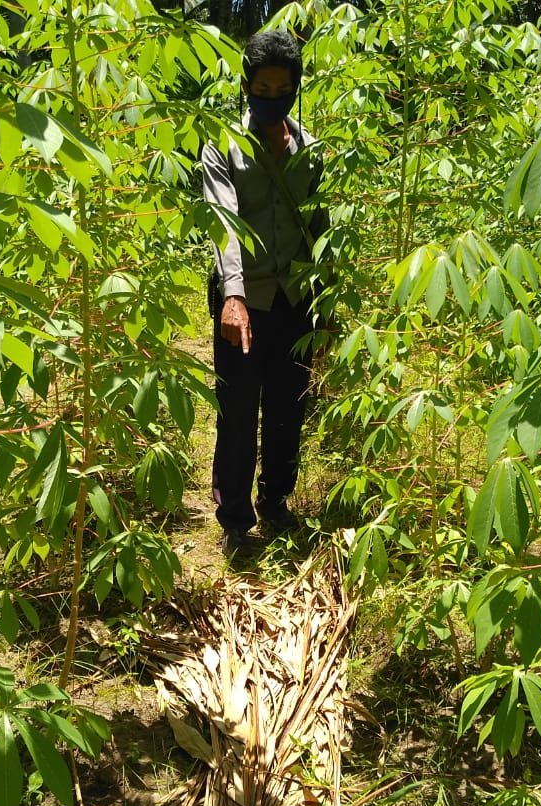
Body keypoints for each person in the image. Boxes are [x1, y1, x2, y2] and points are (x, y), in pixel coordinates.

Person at [201, 29, 324, 556]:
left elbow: (321, 230)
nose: (271, 99)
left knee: (287, 407)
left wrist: (326, 304)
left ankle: (276, 502)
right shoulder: (222, 145)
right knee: (238, 407)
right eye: (262, 88)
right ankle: (234, 517)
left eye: (282, 90)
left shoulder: (312, 151)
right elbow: (223, 222)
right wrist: (232, 296)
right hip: (243, 300)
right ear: (247, 84)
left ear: (295, 89)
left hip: (294, 301)